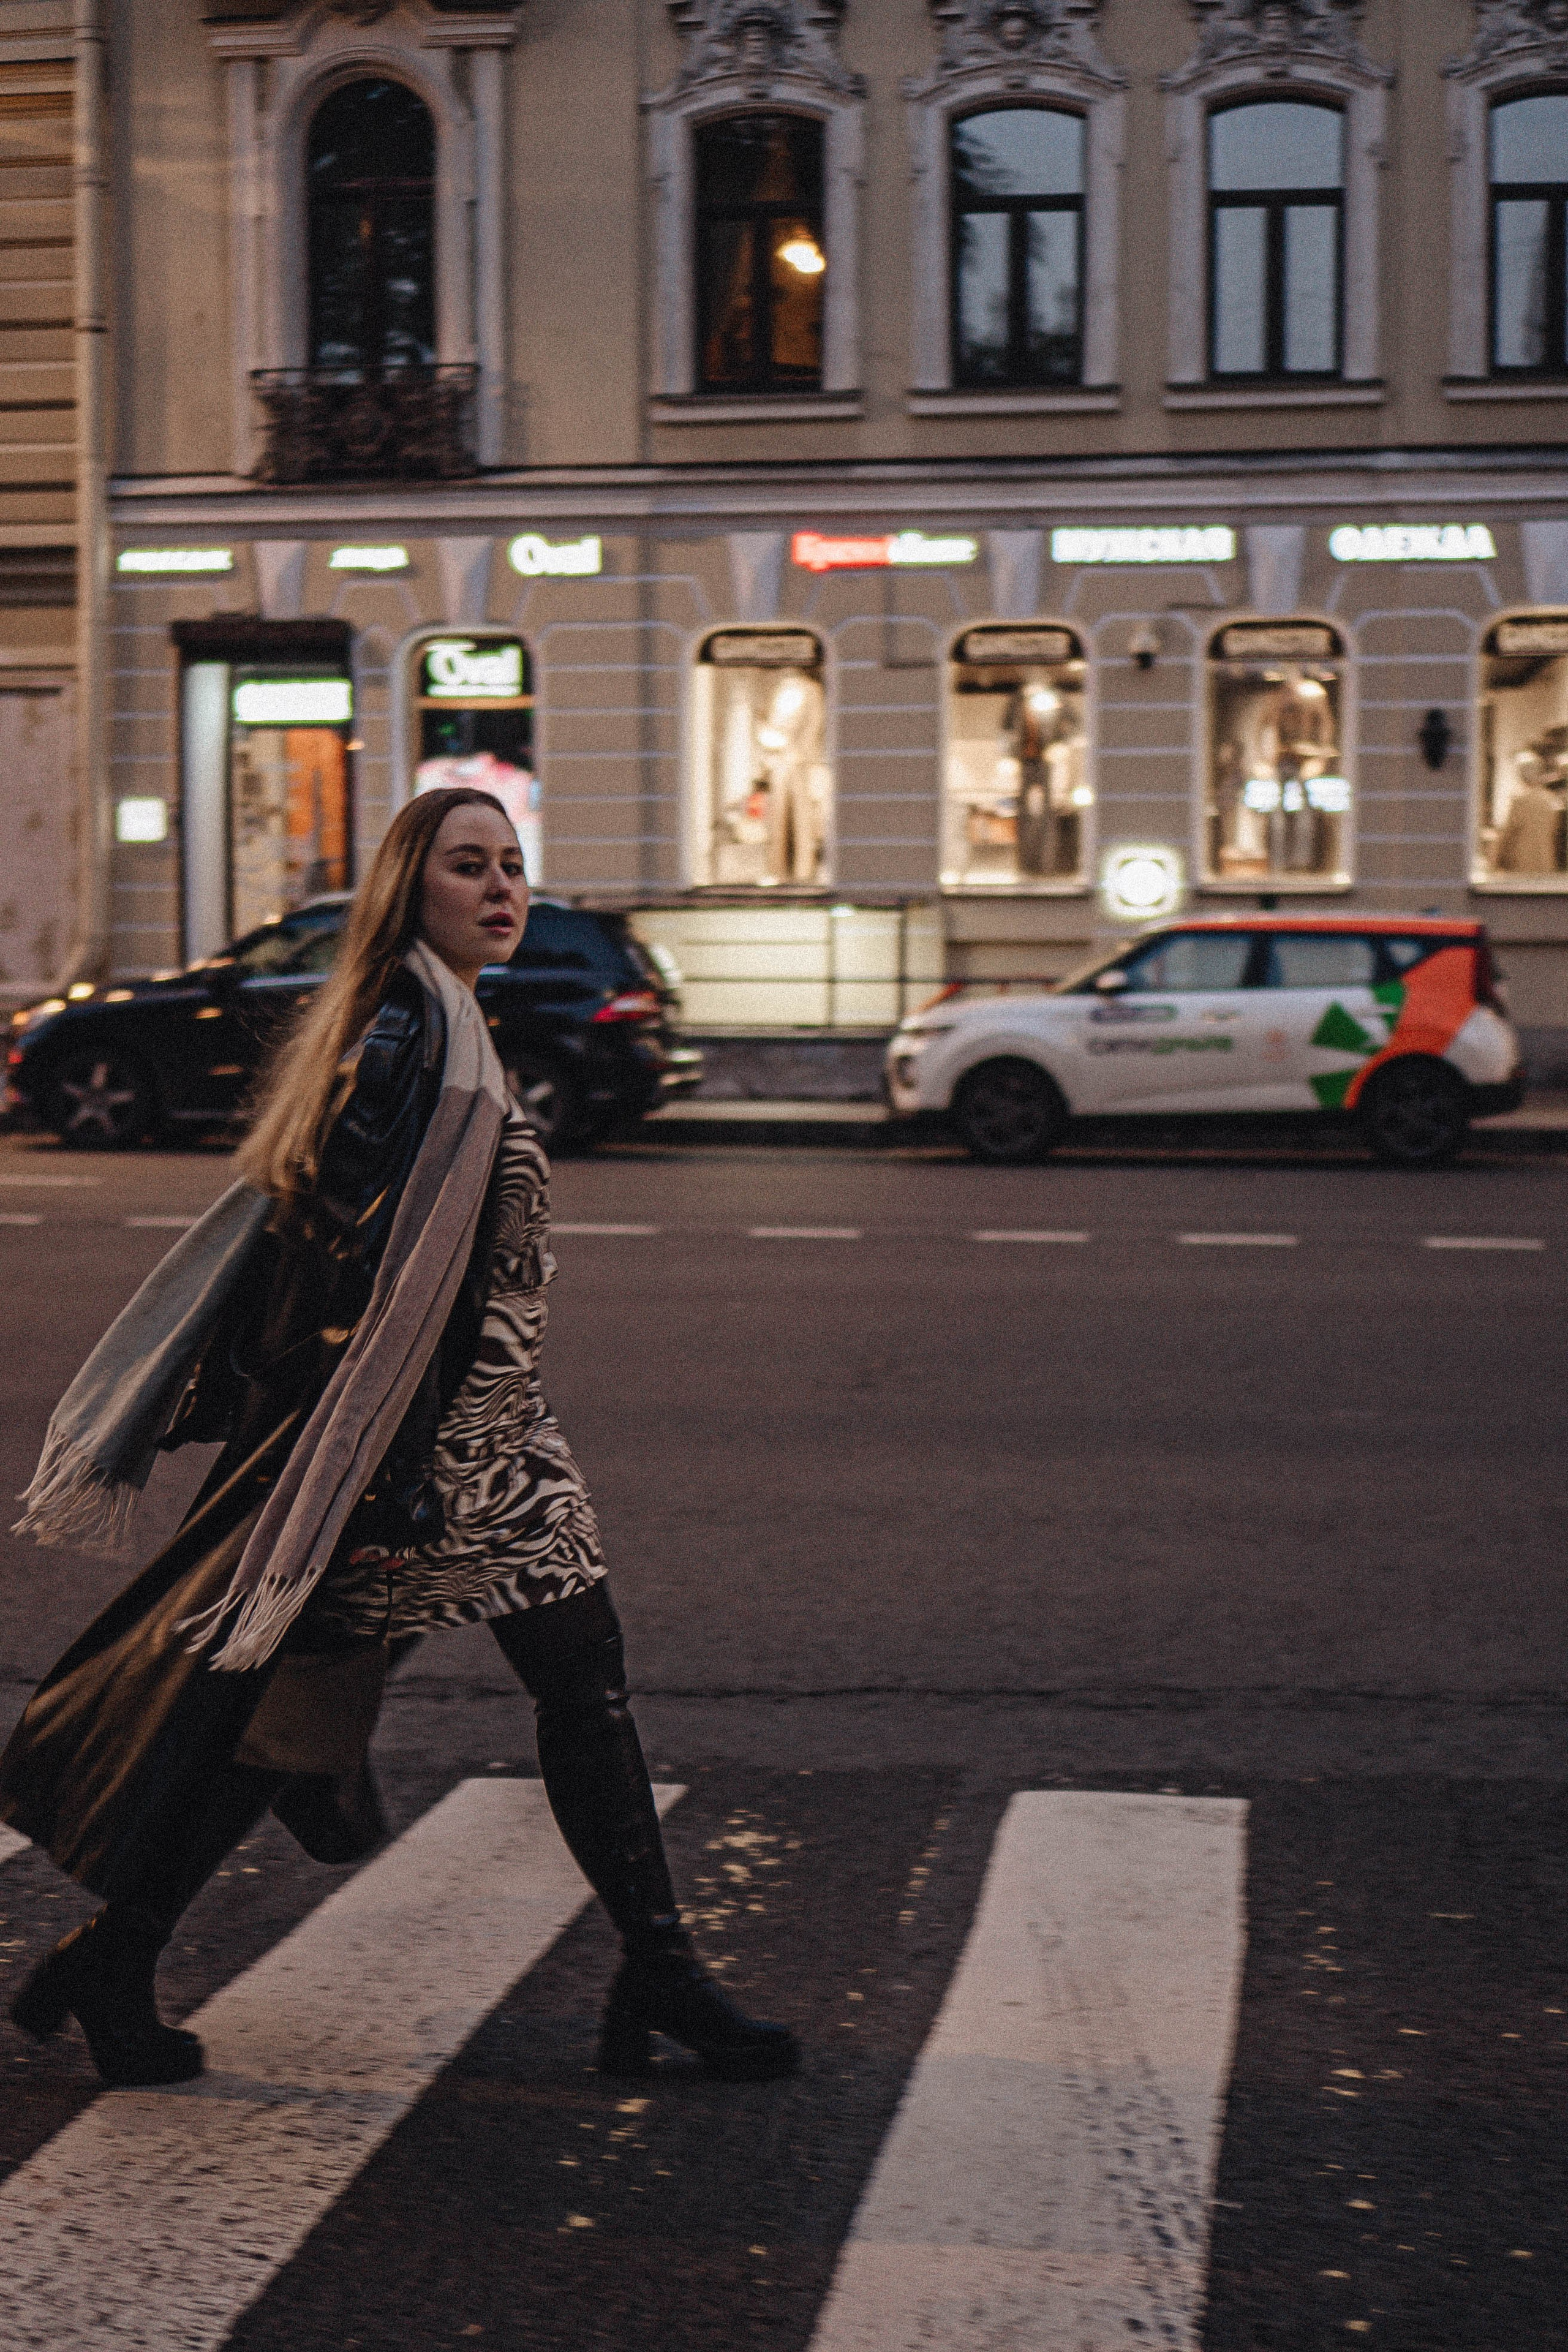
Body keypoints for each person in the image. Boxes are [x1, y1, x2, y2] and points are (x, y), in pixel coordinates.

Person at [0, 786, 797, 2090]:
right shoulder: (399, 1041)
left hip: (490, 1441)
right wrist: (386, 1476)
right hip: (430, 1460)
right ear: (405, 894)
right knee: (405, 1709)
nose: (501, 889)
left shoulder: (442, 1023)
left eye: (513, 866)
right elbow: (346, 1282)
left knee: (392, 1711)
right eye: (467, 866)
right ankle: (655, 1978)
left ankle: (118, 1955)